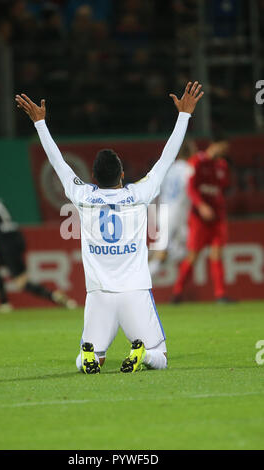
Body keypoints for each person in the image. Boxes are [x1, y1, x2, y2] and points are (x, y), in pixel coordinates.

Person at [15, 80, 204, 374]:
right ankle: (143, 354)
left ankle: (90, 357)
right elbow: (167, 158)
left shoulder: (83, 196)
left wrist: (40, 124)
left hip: (99, 293)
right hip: (135, 290)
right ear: (123, 174)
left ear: (92, 176)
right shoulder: (138, 194)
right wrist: (184, 116)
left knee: (86, 358)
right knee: (160, 356)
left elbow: (59, 163)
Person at [0, 191, 77, 312]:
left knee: (21, 283)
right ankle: (5, 303)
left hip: (5, 242)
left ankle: (54, 296)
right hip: (17, 237)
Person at [171, 134, 233, 303]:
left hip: (217, 217)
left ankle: (221, 294)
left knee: (217, 254)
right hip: (199, 218)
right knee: (194, 255)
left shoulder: (222, 166)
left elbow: (221, 188)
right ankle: (177, 292)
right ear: (214, 145)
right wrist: (201, 205)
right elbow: (190, 188)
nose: (225, 151)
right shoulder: (196, 162)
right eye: (223, 147)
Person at [148, 139, 196, 278]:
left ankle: (157, 257)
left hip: (163, 211)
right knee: (165, 252)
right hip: (176, 214)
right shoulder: (189, 170)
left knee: (185, 247)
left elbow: (156, 191)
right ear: (190, 152)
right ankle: (140, 281)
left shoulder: (168, 169)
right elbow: (192, 192)